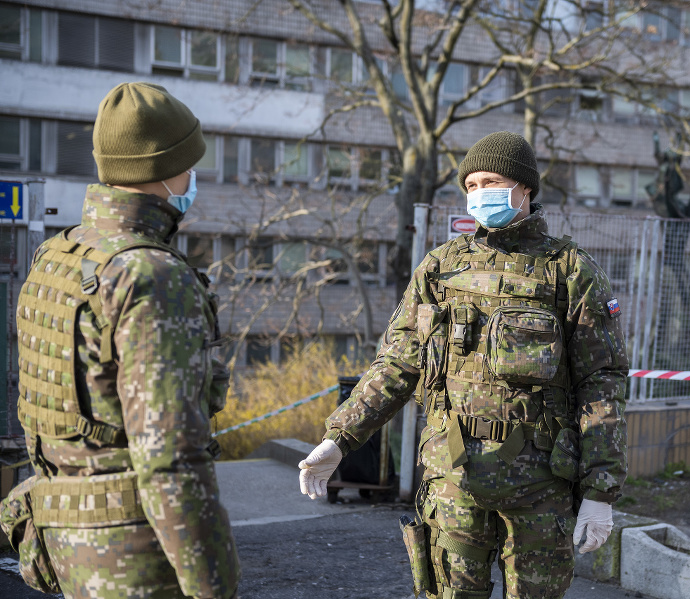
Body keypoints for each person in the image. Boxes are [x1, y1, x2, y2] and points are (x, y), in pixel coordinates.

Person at [299, 131, 629, 598]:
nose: (478, 194)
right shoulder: (440, 268)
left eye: (490, 182)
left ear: (525, 189)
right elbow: (396, 363)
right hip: (452, 480)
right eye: (470, 185)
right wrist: (339, 438)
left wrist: (601, 489)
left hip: (540, 486)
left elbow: (602, 384)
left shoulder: (570, 272)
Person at [12, 82, 240, 598]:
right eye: (191, 162)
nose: (195, 175)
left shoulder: (57, 257)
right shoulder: (151, 275)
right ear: (167, 170)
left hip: (64, 543)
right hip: (139, 558)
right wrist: (214, 585)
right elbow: (171, 459)